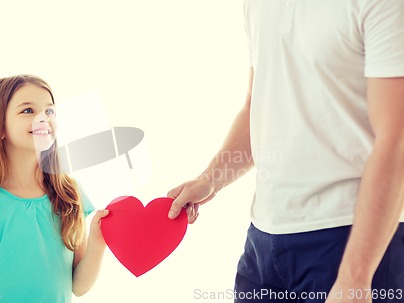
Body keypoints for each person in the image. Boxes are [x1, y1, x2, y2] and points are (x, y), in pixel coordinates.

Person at [168, 1, 404, 302]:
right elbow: (257, 105)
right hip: (264, 240)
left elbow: (396, 140)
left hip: (348, 236)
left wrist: (354, 277)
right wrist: (211, 178)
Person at [0, 75, 109, 303]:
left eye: (50, 111)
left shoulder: (69, 194)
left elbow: (78, 286)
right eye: (28, 111)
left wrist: (97, 244)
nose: (43, 119)